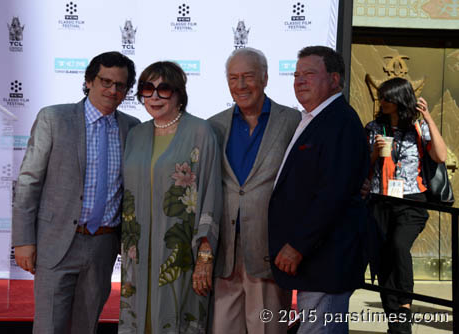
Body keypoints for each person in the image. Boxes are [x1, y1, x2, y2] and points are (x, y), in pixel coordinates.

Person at [12, 51, 140, 334]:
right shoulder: (53, 118)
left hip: (103, 248)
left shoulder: (133, 129)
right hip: (56, 243)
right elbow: (29, 181)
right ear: (89, 81)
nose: (112, 90)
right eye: (105, 81)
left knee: (86, 327)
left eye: (120, 85)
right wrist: (23, 240)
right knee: (49, 327)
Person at [268, 46, 370, 334]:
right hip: (315, 265)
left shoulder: (340, 122)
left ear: (335, 79)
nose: (299, 81)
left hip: (326, 264)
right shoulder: (314, 119)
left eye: (310, 74)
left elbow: (333, 195)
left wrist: (298, 245)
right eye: (296, 74)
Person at [118, 61, 222, 334]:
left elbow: (211, 193)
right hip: (137, 254)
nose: (154, 96)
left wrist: (205, 255)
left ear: (179, 94)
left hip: (181, 253)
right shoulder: (136, 134)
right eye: (147, 88)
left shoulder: (200, 132)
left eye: (163, 89)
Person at [208, 47, 301, 333]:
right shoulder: (214, 125)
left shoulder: (293, 122)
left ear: (265, 77)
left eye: (248, 77)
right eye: (233, 78)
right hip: (224, 254)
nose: (240, 85)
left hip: (269, 250)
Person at [366, 77, 447, 334]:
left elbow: (441, 155)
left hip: (411, 201)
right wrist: (374, 154)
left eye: (387, 97)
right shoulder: (373, 127)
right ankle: (397, 324)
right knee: (383, 259)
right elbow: (361, 170)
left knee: (399, 245)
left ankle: (405, 304)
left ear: (399, 99)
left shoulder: (417, 126)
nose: (382, 101)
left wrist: (428, 119)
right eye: (381, 97)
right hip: (380, 200)